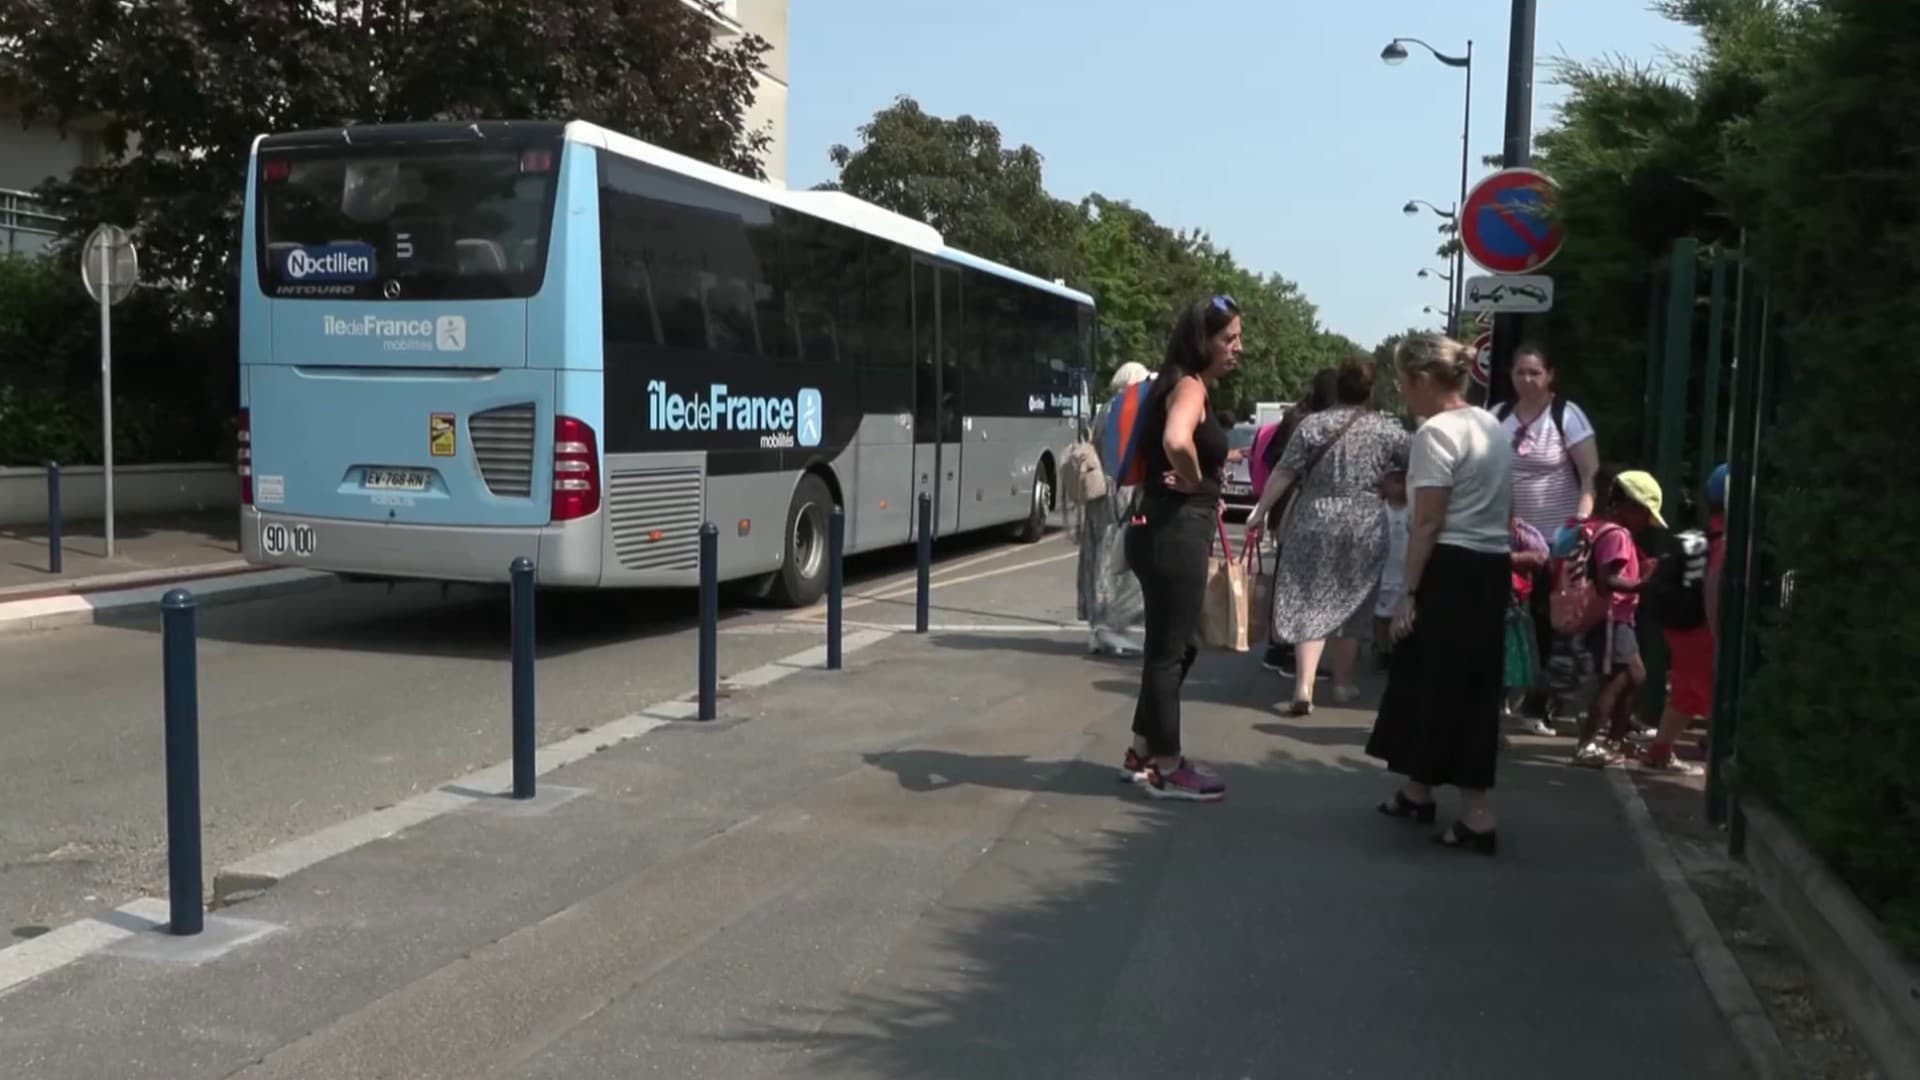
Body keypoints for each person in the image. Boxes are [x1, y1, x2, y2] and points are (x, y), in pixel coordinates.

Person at [1364, 333, 1515, 855]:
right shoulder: (1491, 425)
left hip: (1449, 566)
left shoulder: (1434, 434)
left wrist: (1408, 592)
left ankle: (1477, 816)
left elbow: (1427, 521)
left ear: (1423, 380)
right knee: (1438, 679)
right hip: (1488, 565)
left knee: (1447, 687)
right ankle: (1417, 789)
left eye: (1403, 382)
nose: (1401, 392)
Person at [1120, 295, 1242, 801]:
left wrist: (1206, 469)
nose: (1237, 347)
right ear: (1201, 341)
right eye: (1228, 338)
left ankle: (1142, 749)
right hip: (1174, 529)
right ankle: (1167, 766)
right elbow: (1176, 440)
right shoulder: (1189, 386)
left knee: (1173, 647)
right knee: (1169, 653)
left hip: (1159, 528)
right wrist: (1194, 479)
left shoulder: (1177, 383)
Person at [1247, 355, 1409, 714]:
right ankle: (1342, 685)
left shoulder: (1312, 425)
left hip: (1315, 515)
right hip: (1364, 520)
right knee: (1356, 604)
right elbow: (1418, 464)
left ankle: (1303, 688)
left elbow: (1285, 472)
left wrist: (1260, 511)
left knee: (1309, 597)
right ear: (1370, 390)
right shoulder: (1386, 430)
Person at [1495, 345, 1601, 734]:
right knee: (1506, 620)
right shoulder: (1498, 417)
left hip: (1558, 540)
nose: (1527, 380)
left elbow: (1589, 474)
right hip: (1509, 542)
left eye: (1535, 373)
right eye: (1520, 372)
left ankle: (1538, 705)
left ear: (1550, 375)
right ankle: (1500, 698)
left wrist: (1580, 524)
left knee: (1551, 623)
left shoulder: (1566, 416)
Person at [1572, 471, 1667, 767]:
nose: (1646, 522)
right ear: (1630, 506)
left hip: (1620, 617)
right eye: (1645, 513)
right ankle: (1587, 745)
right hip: (1613, 616)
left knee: (1635, 676)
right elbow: (1609, 580)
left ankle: (1614, 740)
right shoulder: (1617, 535)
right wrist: (1644, 584)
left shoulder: (1608, 530)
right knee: (1615, 680)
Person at [1637, 463, 1727, 773]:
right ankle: (1723, 770)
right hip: (1705, 631)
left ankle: (1659, 752)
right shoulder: (1727, 540)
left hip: (1682, 629)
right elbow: (1714, 585)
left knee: (1684, 694)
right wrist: (1718, 634)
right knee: (1718, 700)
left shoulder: (1705, 536)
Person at [1255, 368, 1337, 676]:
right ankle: (1287, 650)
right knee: (1300, 581)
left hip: (1284, 505)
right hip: (1299, 505)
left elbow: (1274, 461)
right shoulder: (1310, 423)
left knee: (1288, 576)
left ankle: (1280, 646)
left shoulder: (1295, 417)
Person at [1077, 362, 1152, 656]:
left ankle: (1097, 628)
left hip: (1098, 492)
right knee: (1115, 560)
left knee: (1097, 557)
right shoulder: (1129, 409)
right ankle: (1108, 627)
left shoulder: (1105, 409)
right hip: (1121, 491)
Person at [1373, 468, 1410, 669]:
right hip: (1383, 573)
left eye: (1403, 481)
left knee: (1402, 614)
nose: (1400, 486)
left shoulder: (1413, 510)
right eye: (1395, 481)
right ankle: (1381, 649)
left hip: (1404, 573)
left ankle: (1398, 649)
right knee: (1381, 615)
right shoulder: (1378, 510)